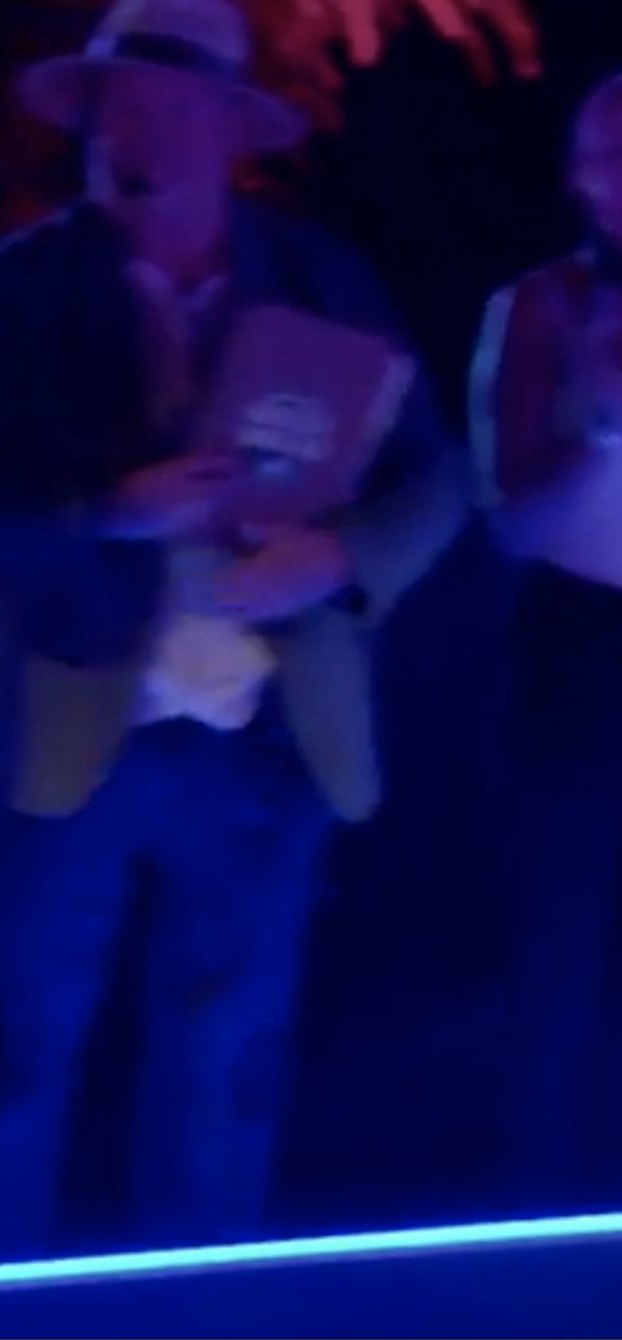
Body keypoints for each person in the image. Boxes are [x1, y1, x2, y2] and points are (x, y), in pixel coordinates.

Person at [0, 0, 467, 1257]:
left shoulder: (319, 280)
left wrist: (339, 558)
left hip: (262, 739)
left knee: (225, 1067)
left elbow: (435, 475)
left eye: (171, 108)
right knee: (15, 1066)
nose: (139, 134)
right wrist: (106, 510)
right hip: (70, 738)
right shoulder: (18, 292)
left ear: (229, 129)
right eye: (117, 108)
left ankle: (202, 1307)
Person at [470, 70, 622, 1208]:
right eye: (608, 158)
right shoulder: (541, 308)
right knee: (559, 957)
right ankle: (541, 1221)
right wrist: (606, 422)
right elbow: (510, 520)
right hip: (582, 649)